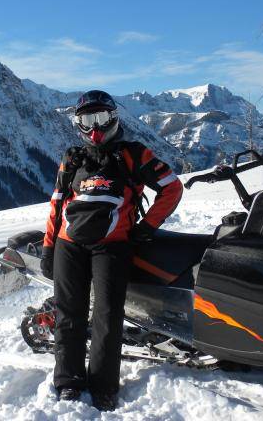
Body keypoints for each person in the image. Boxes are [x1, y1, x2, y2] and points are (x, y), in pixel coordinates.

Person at [40, 89, 183, 411]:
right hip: (69, 244)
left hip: (113, 246)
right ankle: (68, 383)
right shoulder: (72, 157)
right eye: (87, 120)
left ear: (114, 118)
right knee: (69, 315)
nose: (95, 127)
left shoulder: (134, 153)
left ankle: (104, 387)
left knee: (107, 316)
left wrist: (147, 227)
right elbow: (58, 202)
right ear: (77, 123)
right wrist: (49, 247)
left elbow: (172, 187)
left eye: (101, 118)